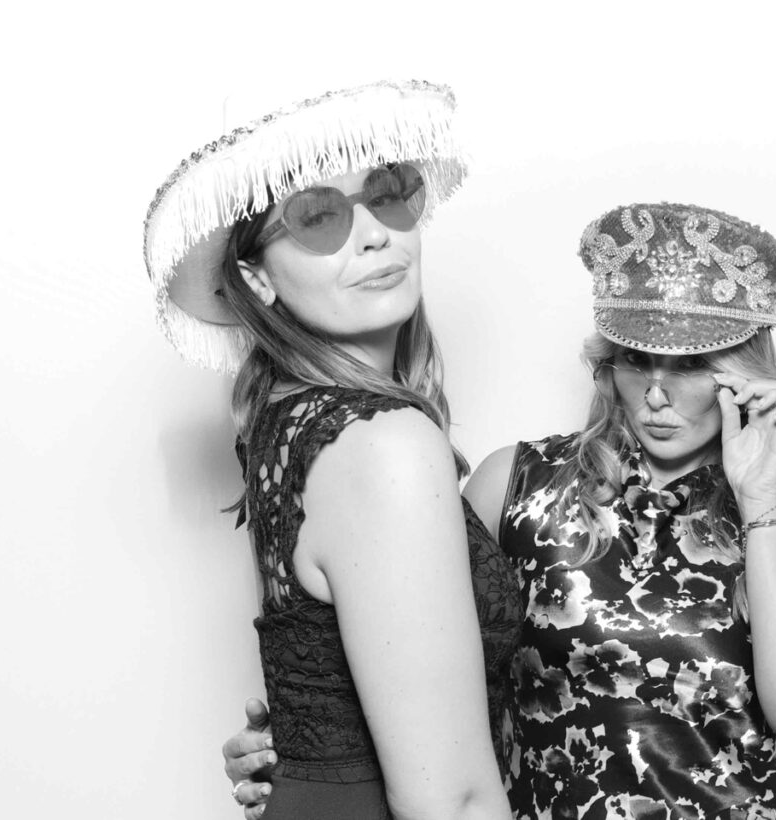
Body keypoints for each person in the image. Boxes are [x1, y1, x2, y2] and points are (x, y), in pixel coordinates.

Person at [225, 203, 776, 819]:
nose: (659, 394)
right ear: (607, 363)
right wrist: (305, 754)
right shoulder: (516, 485)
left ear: (742, 374)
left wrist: (759, 506)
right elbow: (401, 655)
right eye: (637, 360)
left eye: (693, 366)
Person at [143, 81, 520, 820]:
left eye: (387, 194)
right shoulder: (382, 444)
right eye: (318, 217)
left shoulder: (290, 426)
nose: (375, 233)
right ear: (255, 275)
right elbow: (454, 801)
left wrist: (307, 767)